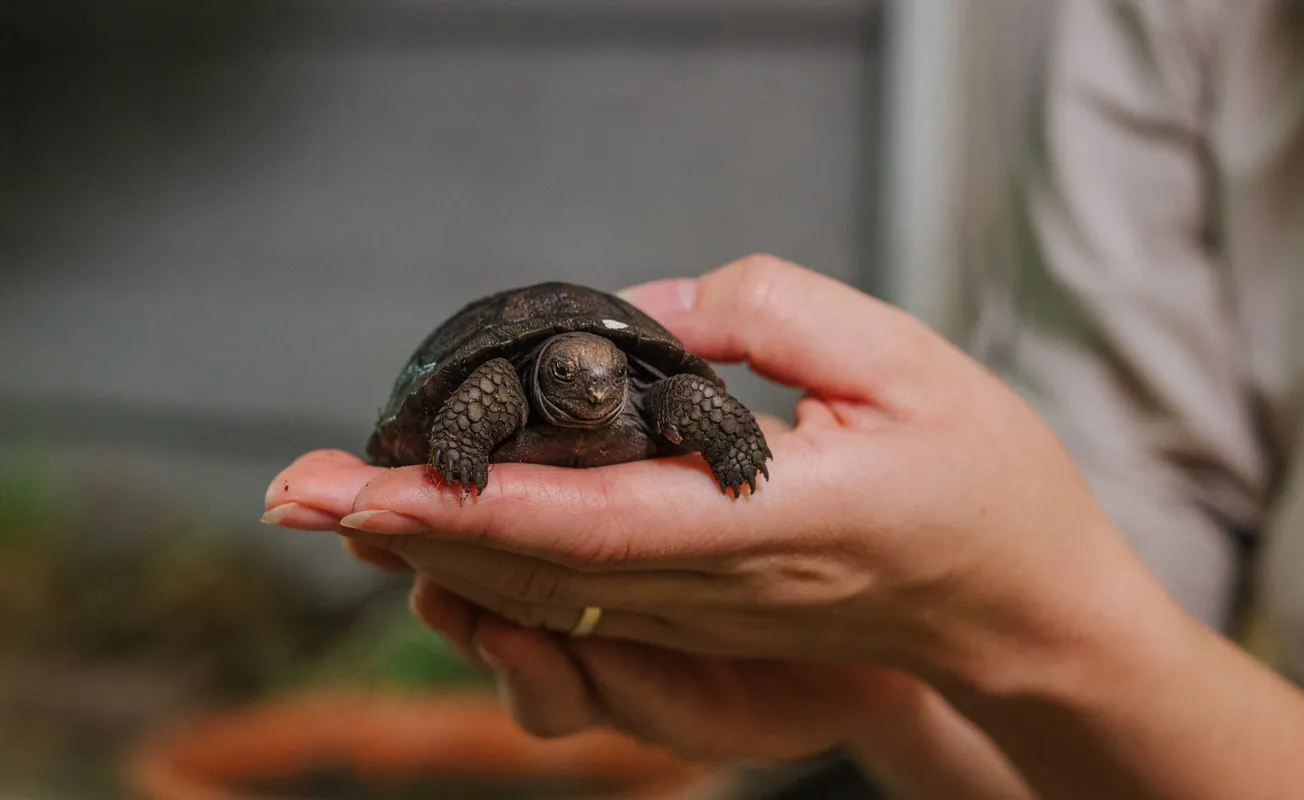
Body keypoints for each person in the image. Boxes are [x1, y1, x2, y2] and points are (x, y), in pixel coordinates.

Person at [260, 1, 1304, 796]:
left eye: (609, 377)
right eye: (569, 377)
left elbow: (693, 407)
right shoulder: (1175, 24)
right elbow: (1144, 520)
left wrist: (1022, 620)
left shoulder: (645, 390)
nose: (591, 389)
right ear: (536, 376)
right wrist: (891, 684)